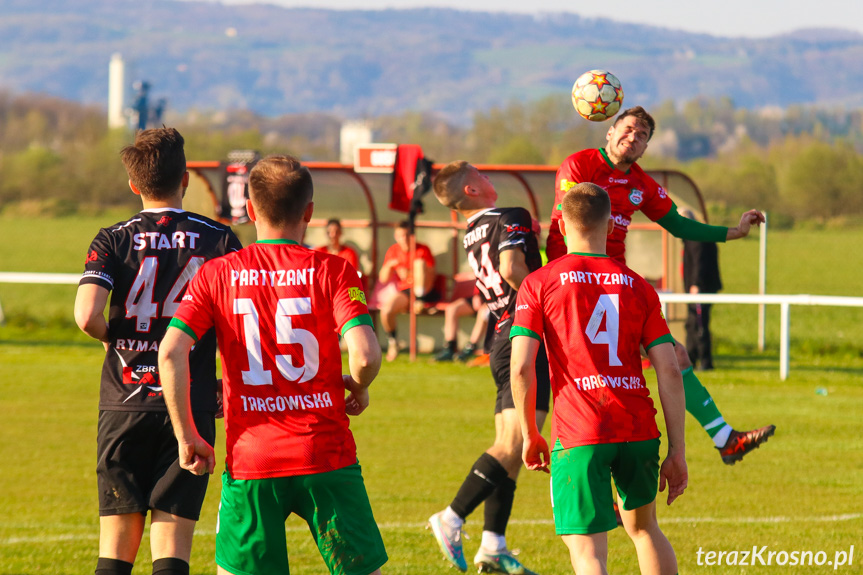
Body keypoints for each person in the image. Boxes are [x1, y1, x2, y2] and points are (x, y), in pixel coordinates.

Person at [158, 155, 387, 575]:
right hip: (325, 453)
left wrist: (185, 433)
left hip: (253, 458)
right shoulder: (334, 270)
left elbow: (170, 351)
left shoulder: (216, 273)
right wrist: (357, 383)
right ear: (310, 212)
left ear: (249, 209)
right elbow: (367, 354)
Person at [546, 106, 774, 465]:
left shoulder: (641, 184)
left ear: (646, 147)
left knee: (672, 356)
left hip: (615, 286)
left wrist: (737, 232)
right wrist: (560, 282)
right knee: (596, 372)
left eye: (642, 135)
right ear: (609, 131)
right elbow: (562, 227)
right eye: (629, 129)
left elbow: (681, 226)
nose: (633, 137)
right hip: (576, 282)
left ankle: (724, 439)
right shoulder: (579, 165)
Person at [74, 127, 242, 575]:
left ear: (134, 184)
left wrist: (117, 338)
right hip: (189, 402)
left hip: (124, 400)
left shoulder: (112, 238)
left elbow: (86, 315)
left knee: (115, 545)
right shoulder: (219, 240)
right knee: (171, 542)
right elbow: (236, 328)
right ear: (185, 179)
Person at [511, 183, 688, 575]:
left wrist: (528, 433)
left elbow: (522, 366)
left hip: (580, 431)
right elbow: (670, 367)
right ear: (610, 227)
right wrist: (678, 449)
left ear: (560, 223)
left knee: (588, 549)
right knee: (644, 530)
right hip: (638, 426)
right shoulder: (640, 286)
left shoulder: (539, 283)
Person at [428, 161, 550, 574]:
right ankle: (452, 516)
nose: (489, 178)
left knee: (511, 448)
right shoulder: (510, 216)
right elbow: (513, 269)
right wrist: (550, 307)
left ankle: (493, 546)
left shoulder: (472, 231)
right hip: (525, 333)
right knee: (515, 444)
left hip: (501, 335)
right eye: (481, 175)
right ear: (472, 190)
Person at [378, 220, 439, 361]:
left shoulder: (422, 249)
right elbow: (383, 279)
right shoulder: (393, 251)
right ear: (395, 236)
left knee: (419, 263)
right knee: (386, 311)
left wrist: (411, 273)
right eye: (400, 236)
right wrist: (390, 265)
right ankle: (393, 343)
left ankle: (420, 299)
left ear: (412, 236)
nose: (404, 239)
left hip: (425, 290)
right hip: (406, 292)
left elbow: (431, 275)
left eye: (406, 235)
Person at [680, 209, 722, 370]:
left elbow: (699, 262)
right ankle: (693, 359)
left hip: (700, 289)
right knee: (694, 323)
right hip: (702, 287)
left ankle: (704, 361)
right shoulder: (700, 233)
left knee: (698, 324)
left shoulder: (696, 237)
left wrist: (695, 284)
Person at [434, 293, 488, 362]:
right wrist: (476, 295)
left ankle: (470, 348)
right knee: (451, 309)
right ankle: (449, 349)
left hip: (496, 299)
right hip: (481, 296)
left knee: (483, 312)